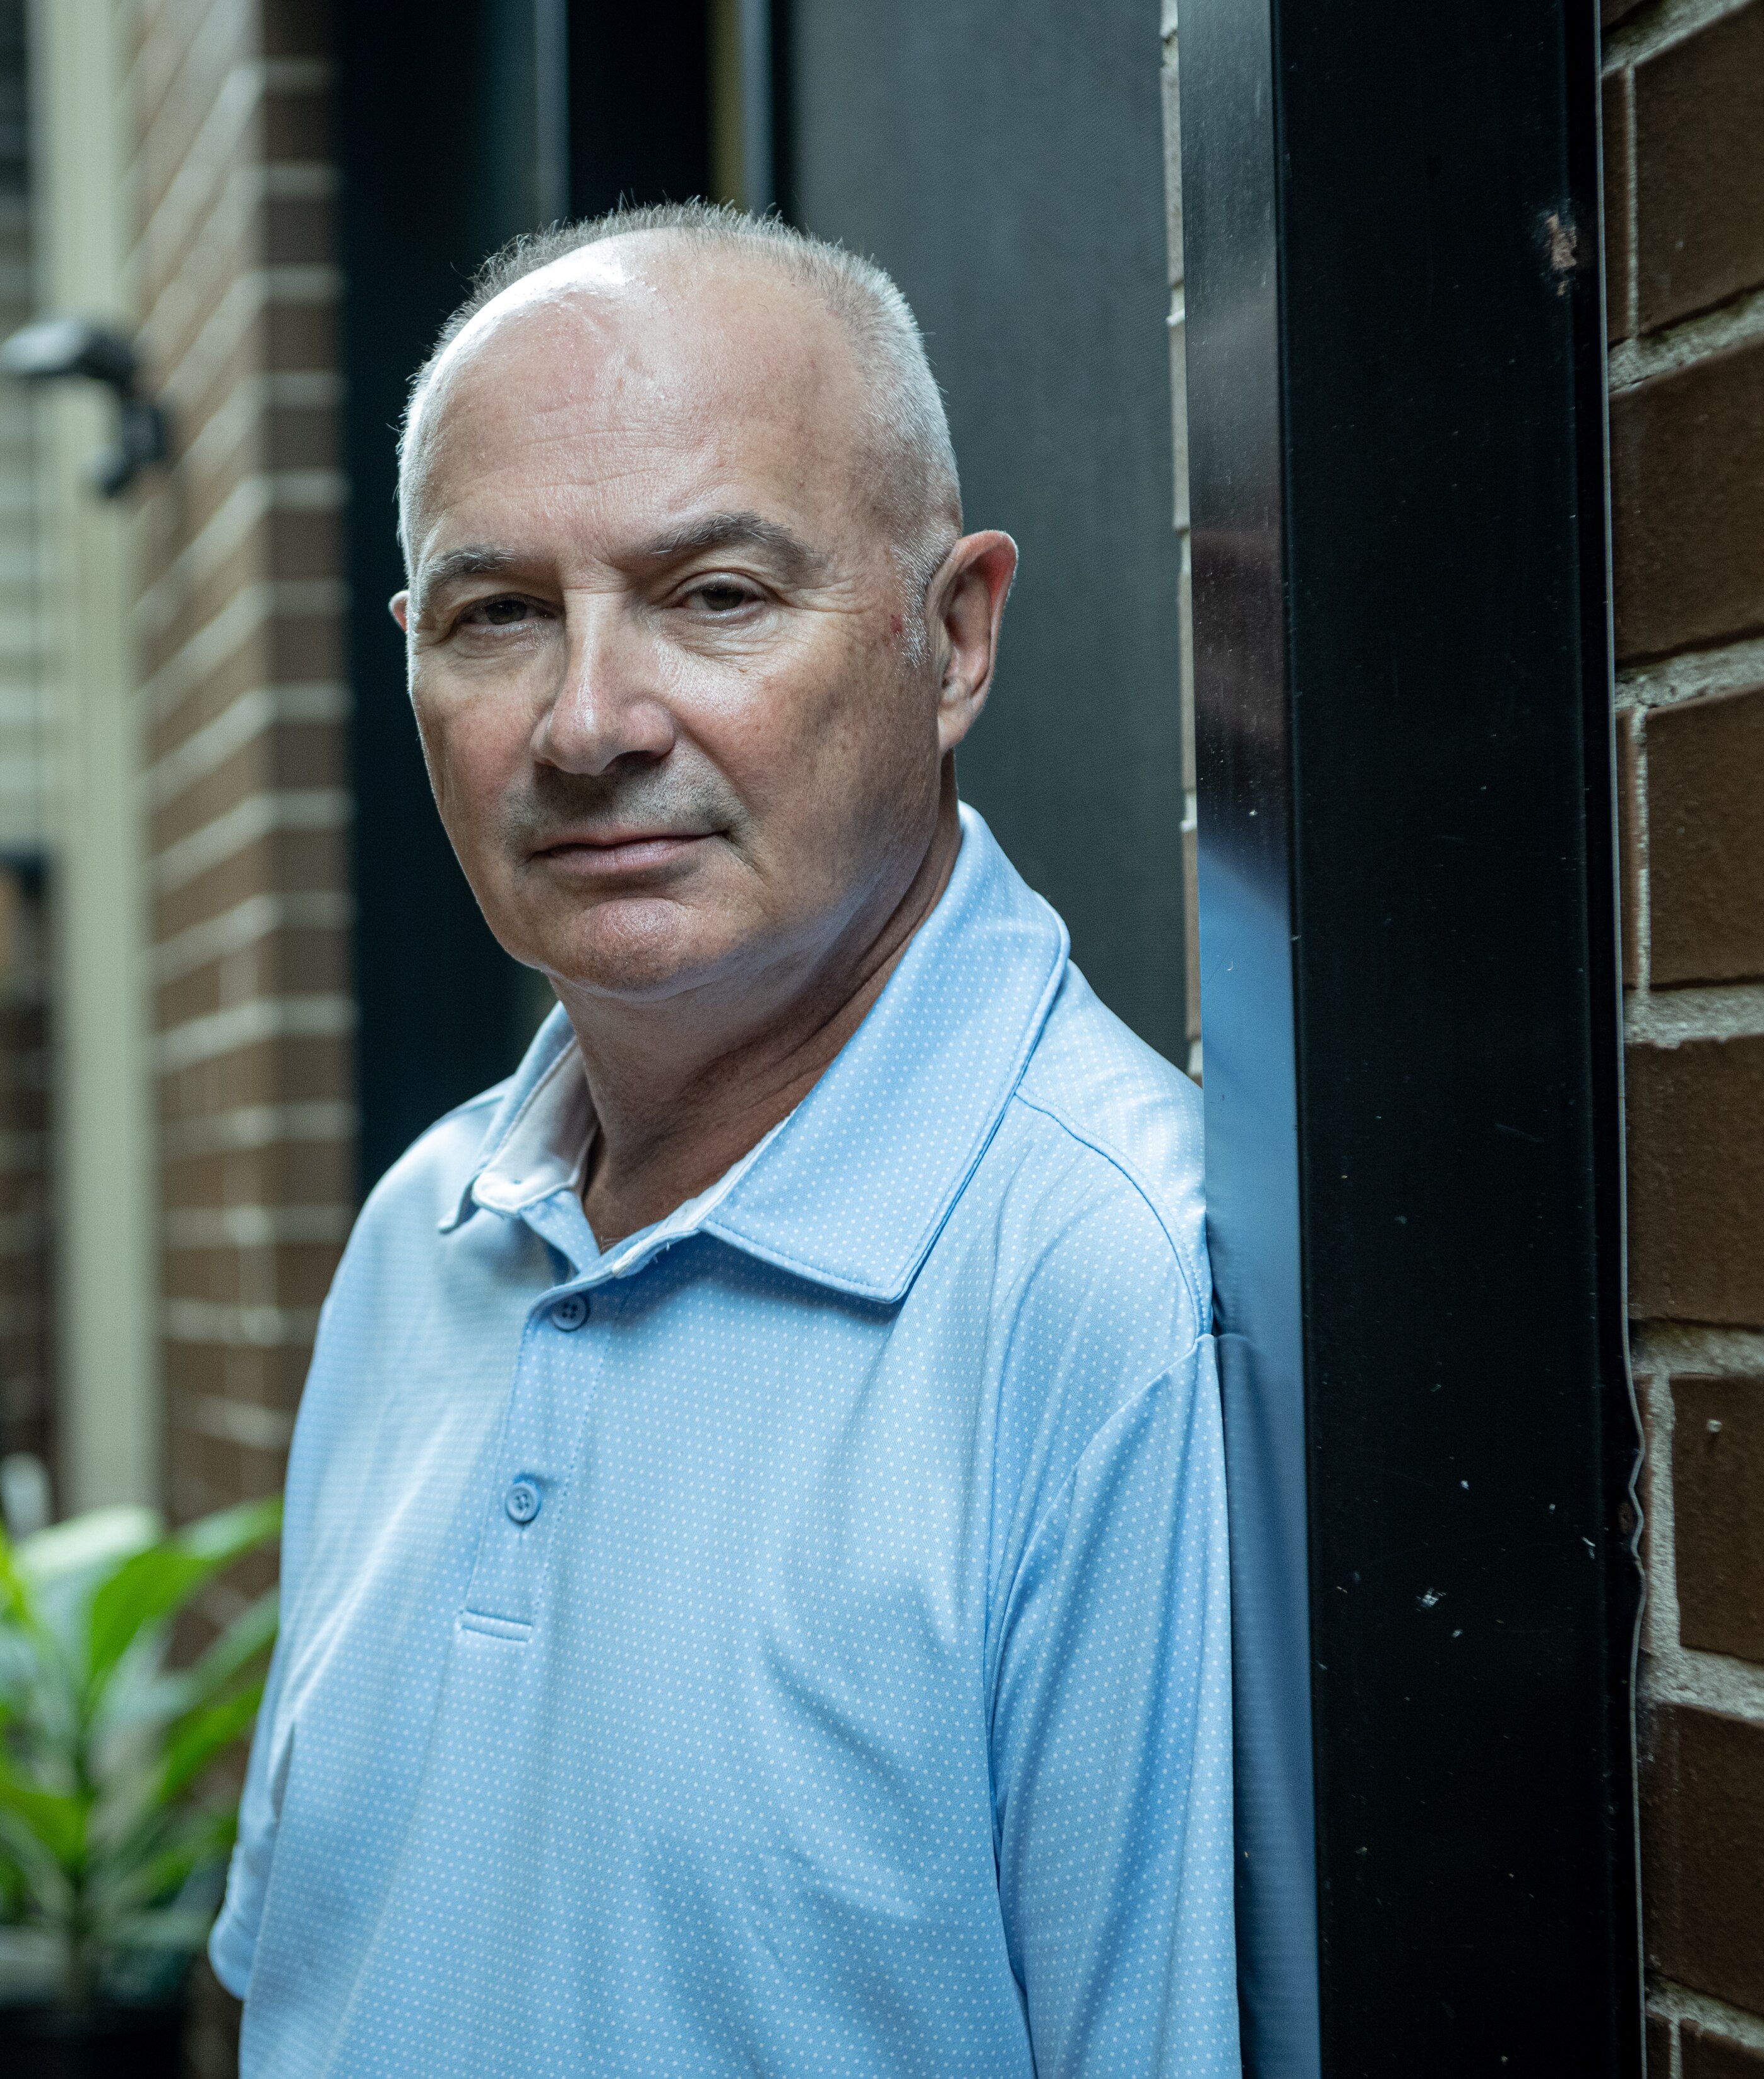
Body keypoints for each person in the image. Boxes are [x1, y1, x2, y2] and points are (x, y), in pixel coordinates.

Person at [208, 202, 1237, 2076]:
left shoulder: (1126, 1296)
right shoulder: (425, 1238)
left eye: (718, 595)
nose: (590, 723)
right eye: (499, 611)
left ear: (956, 633)